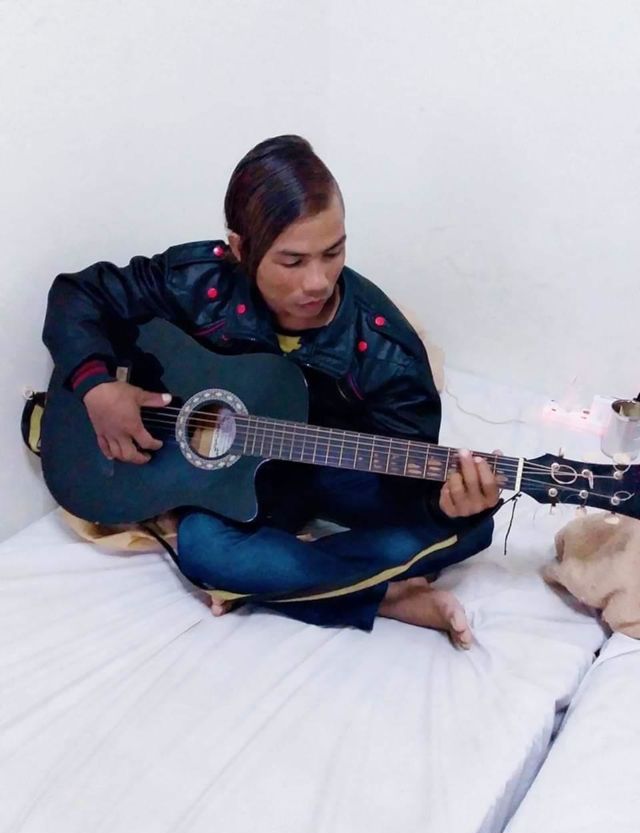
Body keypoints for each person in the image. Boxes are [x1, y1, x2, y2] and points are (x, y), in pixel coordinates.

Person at [43, 134, 502, 648]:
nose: (319, 281)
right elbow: (78, 294)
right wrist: (97, 387)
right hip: (237, 481)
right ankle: (380, 594)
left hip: (324, 467)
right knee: (204, 549)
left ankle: (301, 584)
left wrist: (445, 506)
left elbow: (403, 487)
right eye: (293, 261)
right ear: (241, 249)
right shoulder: (200, 280)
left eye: (333, 252)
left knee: (473, 528)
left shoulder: (389, 353)